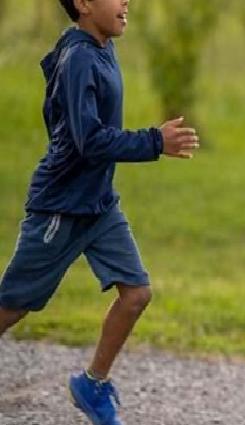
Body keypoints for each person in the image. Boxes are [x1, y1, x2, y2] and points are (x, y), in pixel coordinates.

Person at [0, 0, 199, 423]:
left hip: (99, 205)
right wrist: (153, 142)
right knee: (13, 306)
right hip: (60, 207)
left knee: (136, 293)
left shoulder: (102, 46)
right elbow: (88, 140)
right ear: (84, 4)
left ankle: (92, 384)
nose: (126, 1)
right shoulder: (77, 58)